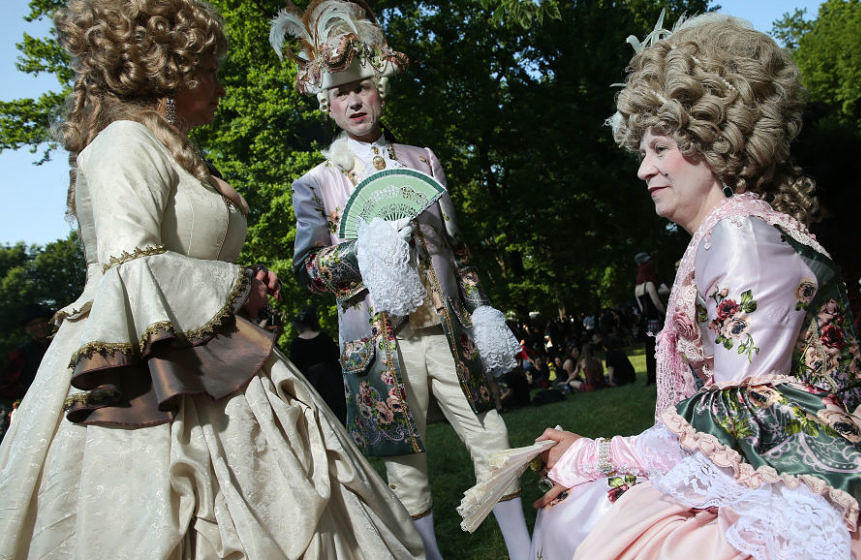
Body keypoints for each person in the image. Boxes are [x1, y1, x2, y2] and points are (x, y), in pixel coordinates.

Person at [530, 14, 861, 560]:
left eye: (659, 148)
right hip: (770, 450)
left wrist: (598, 456)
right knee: (581, 510)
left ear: (711, 138)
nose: (643, 170)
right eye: (642, 153)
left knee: (585, 525)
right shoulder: (723, 234)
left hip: (807, 467)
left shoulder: (741, 238)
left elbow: (746, 414)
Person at [0, 1, 424, 558]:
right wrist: (236, 286)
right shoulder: (122, 144)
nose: (220, 87)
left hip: (212, 362)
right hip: (151, 389)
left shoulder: (168, 148)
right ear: (171, 72)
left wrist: (240, 286)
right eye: (211, 72)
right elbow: (130, 269)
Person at [270, 2, 530, 559]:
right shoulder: (315, 183)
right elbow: (310, 272)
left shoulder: (424, 159)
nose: (355, 100)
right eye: (342, 93)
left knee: (494, 438)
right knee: (405, 468)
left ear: (380, 91)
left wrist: (482, 311)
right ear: (329, 105)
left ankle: (525, 550)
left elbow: (454, 248)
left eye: (363, 87)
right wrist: (365, 250)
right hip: (379, 343)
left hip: (447, 330)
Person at [289, 307, 347, 423]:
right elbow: (336, 357)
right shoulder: (324, 338)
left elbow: (296, 368)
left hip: (313, 386)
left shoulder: (296, 344)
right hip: (333, 382)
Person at [634, 252, 668, 386]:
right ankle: (662, 374)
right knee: (660, 347)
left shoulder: (637, 288)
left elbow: (641, 309)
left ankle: (651, 377)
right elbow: (657, 303)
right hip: (656, 321)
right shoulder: (649, 284)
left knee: (649, 350)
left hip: (646, 323)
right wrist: (665, 314)